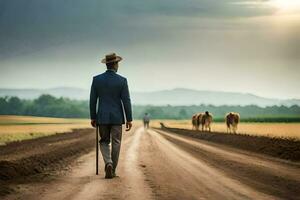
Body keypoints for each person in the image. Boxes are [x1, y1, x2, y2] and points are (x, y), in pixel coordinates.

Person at [90, 53, 133, 179]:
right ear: (115, 64)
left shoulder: (96, 79)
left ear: (107, 64)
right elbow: (126, 100)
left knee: (103, 141)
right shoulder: (122, 80)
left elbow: (93, 100)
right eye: (117, 63)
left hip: (102, 117)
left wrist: (93, 116)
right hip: (117, 117)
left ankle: (108, 162)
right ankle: (112, 169)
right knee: (116, 142)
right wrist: (129, 119)